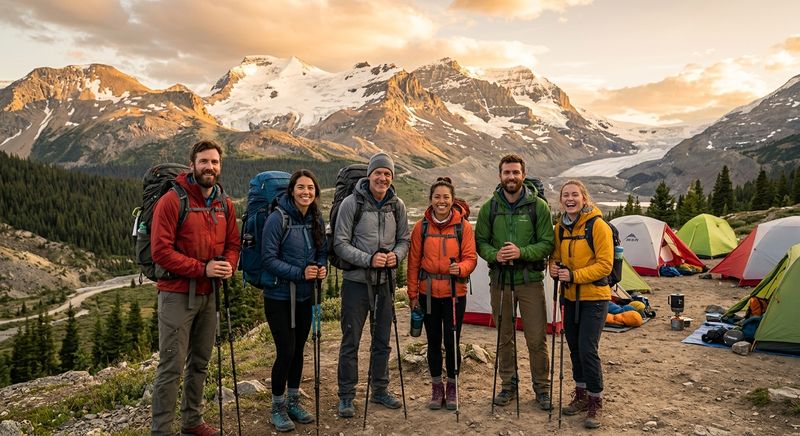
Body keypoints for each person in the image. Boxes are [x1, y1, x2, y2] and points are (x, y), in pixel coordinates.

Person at [150, 140, 240, 436]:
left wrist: (228, 264)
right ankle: (161, 430)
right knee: (171, 367)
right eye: (204, 162)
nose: (209, 167)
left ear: (220, 166)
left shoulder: (224, 203)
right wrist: (203, 268)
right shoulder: (172, 201)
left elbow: (233, 244)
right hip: (176, 294)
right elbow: (160, 252)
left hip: (209, 294)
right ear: (192, 165)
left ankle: (192, 421)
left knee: (200, 362)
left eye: (214, 162)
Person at [333, 152, 411, 418]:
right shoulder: (350, 204)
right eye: (378, 172)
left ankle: (380, 389)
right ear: (369, 175)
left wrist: (395, 256)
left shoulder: (396, 205)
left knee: (382, 340)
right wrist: (369, 259)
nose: (382, 177)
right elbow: (340, 244)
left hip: (385, 283)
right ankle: (346, 395)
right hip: (356, 283)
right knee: (351, 340)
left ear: (392, 177)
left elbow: (404, 240)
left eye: (387, 174)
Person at [475, 154, 555, 411]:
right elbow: (481, 243)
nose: (511, 177)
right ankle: (508, 385)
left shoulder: (538, 207)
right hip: (500, 281)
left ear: (523, 174)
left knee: (536, 338)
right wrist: (494, 255)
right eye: (507, 172)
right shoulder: (490, 207)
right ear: (500, 176)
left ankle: (542, 389)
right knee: (504, 338)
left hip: (529, 281)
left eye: (515, 172)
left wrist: (521, 252)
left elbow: (547, 243)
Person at [261, 169, 328, 432]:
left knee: (299, 349)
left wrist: (320, 268)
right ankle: (277, 407)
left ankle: (293, 401)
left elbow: (322, 250)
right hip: (278, 296)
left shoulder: (315, 217)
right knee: (286, 350)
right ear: (292, 190)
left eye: (310, 188)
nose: (306, 193)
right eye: (301, 188)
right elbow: (268, 259)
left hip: (305, 296)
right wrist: (300, 273)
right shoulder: (278, 219)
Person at [407, 177, 477, 410]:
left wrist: (463, 268)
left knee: (452, 341)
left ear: (452, 199)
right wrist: (412, 294)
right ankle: (437, 387)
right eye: (437, 196)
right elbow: (413, 263)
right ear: (431, 199)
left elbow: (471, 257)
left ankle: (453, 385)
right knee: (433, 341)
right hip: (427, 295)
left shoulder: (463, 227)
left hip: (454, 293)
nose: (441, 201)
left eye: (446, 197)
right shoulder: (421, 227)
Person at [548, 180, 612, 429]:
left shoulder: (598, 226)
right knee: (574, 347)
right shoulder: (559, 228)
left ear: (584, 198)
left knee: (587, 348)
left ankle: (595, 399)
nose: (570, 199)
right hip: (570, 297)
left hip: (594, 298)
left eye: (575, 194)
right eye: (566, 195)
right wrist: (552, 267)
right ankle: (581, 393)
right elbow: (555, 256)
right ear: (561, 200)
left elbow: (605, 265)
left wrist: (574, 276)